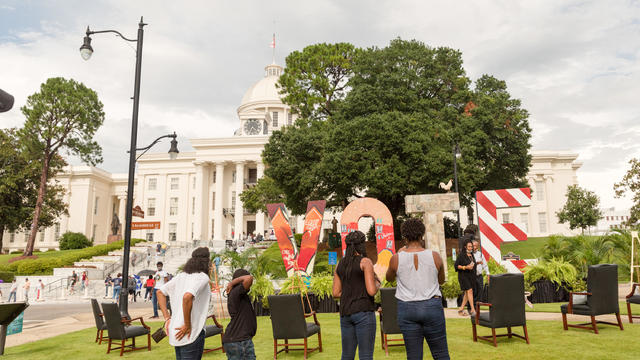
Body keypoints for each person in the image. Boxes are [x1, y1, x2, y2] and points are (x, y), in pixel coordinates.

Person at [386, 217, 449, 360]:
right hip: (432, 306)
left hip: (407, 308)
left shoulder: (396, 258)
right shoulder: (435, 256)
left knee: (413, 356)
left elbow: (389, 278)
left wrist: (400, 252)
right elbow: (441, 280)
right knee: (441, 353)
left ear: (404, 237)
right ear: (422, 235)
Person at [157, 247, 213, 360]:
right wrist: (187, 324)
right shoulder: (202, 277)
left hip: (177, 331)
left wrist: (167, 318)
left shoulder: (181, 276)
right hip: (190, 332)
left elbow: (160, 292)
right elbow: (187, 297)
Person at [332, 230, 379, 360]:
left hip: (345, 313)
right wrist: (377, 283)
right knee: (365, 355)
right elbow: (371, 291)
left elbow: (336, 293)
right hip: (363, 312)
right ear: (361, 245)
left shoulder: (339, 264)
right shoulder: (365, 262)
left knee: (347, 355)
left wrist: (350, 293)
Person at [222, 269, 256, 360]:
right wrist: (232, 283)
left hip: (238, 340)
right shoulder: (236, 292)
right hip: (239, 341)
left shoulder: (238, 293)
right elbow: (249, 278)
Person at [455, 239, 477, 317]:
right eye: (469, 246)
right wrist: (465, 267)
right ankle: (473, 309)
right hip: (463, 276)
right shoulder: (461, 255)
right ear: (465, 247)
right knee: (470, 291)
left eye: (472, 246)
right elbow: (456, 266)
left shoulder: (471, 255)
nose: (471, 248)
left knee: (467, 294)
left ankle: (461, 309)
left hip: (471, 276)